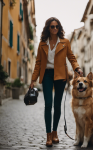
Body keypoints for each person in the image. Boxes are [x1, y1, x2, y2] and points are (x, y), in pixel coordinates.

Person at [29, 17, 83, 147]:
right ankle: (48, 135)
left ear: (59, 28)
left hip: (60, 76)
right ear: (48, 28)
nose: (54, 29)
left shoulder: (65, 42)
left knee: (57, 105)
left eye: (56, 26)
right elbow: (38, 63)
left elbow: (71, 57)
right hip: (47, 74)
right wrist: (33, 80)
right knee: (48, 104)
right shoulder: (42, 43)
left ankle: (55, 133)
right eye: (52, 26)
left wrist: (77, 67)